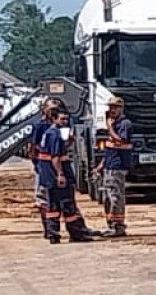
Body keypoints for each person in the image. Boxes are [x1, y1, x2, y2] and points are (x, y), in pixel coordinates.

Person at [30, 97, 94, 244]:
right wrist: (60, 174)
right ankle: (76, 233)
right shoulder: (53, 133)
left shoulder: (50, 133)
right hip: (55, 174)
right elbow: (55, 157)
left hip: (48, 175)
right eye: (62, 119)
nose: (65, 122)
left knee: (52, 205)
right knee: (67, 204)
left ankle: (53, 233)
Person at [96, 96, 134, 236]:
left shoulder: (125, 124)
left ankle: (118, 226)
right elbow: (110, 148)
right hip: (110, 165)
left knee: (115, 196)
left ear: (121, 108)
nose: (112, 110)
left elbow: (120, 140)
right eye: (110, 107)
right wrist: (101, 165)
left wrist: (110, 127)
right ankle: (111, 223)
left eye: (115, 107)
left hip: (118, 167)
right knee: (107, 196)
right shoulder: (114, 123)